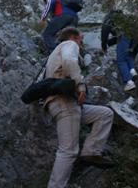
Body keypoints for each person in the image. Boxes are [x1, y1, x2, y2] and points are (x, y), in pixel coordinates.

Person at [45, 27, 114, 188]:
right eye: (80, 39)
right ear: (73, 37)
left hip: (65, 104)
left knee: (104, 114)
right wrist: (81, 86)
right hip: (64, 102)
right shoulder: (69, 45)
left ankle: (91, 151)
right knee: (68, 151)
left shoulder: (55, 53)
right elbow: (69, 61)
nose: (82, 42)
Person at [101, 10, 138, 91]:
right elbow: (117, 37)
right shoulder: (125, 18)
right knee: (129, 55)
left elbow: (104, 35)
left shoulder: (108, 20)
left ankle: (129, 83)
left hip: (124, 37)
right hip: (135, 37)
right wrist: (109, 43)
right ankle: (132, 71)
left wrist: (104, 47)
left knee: (121, 61)